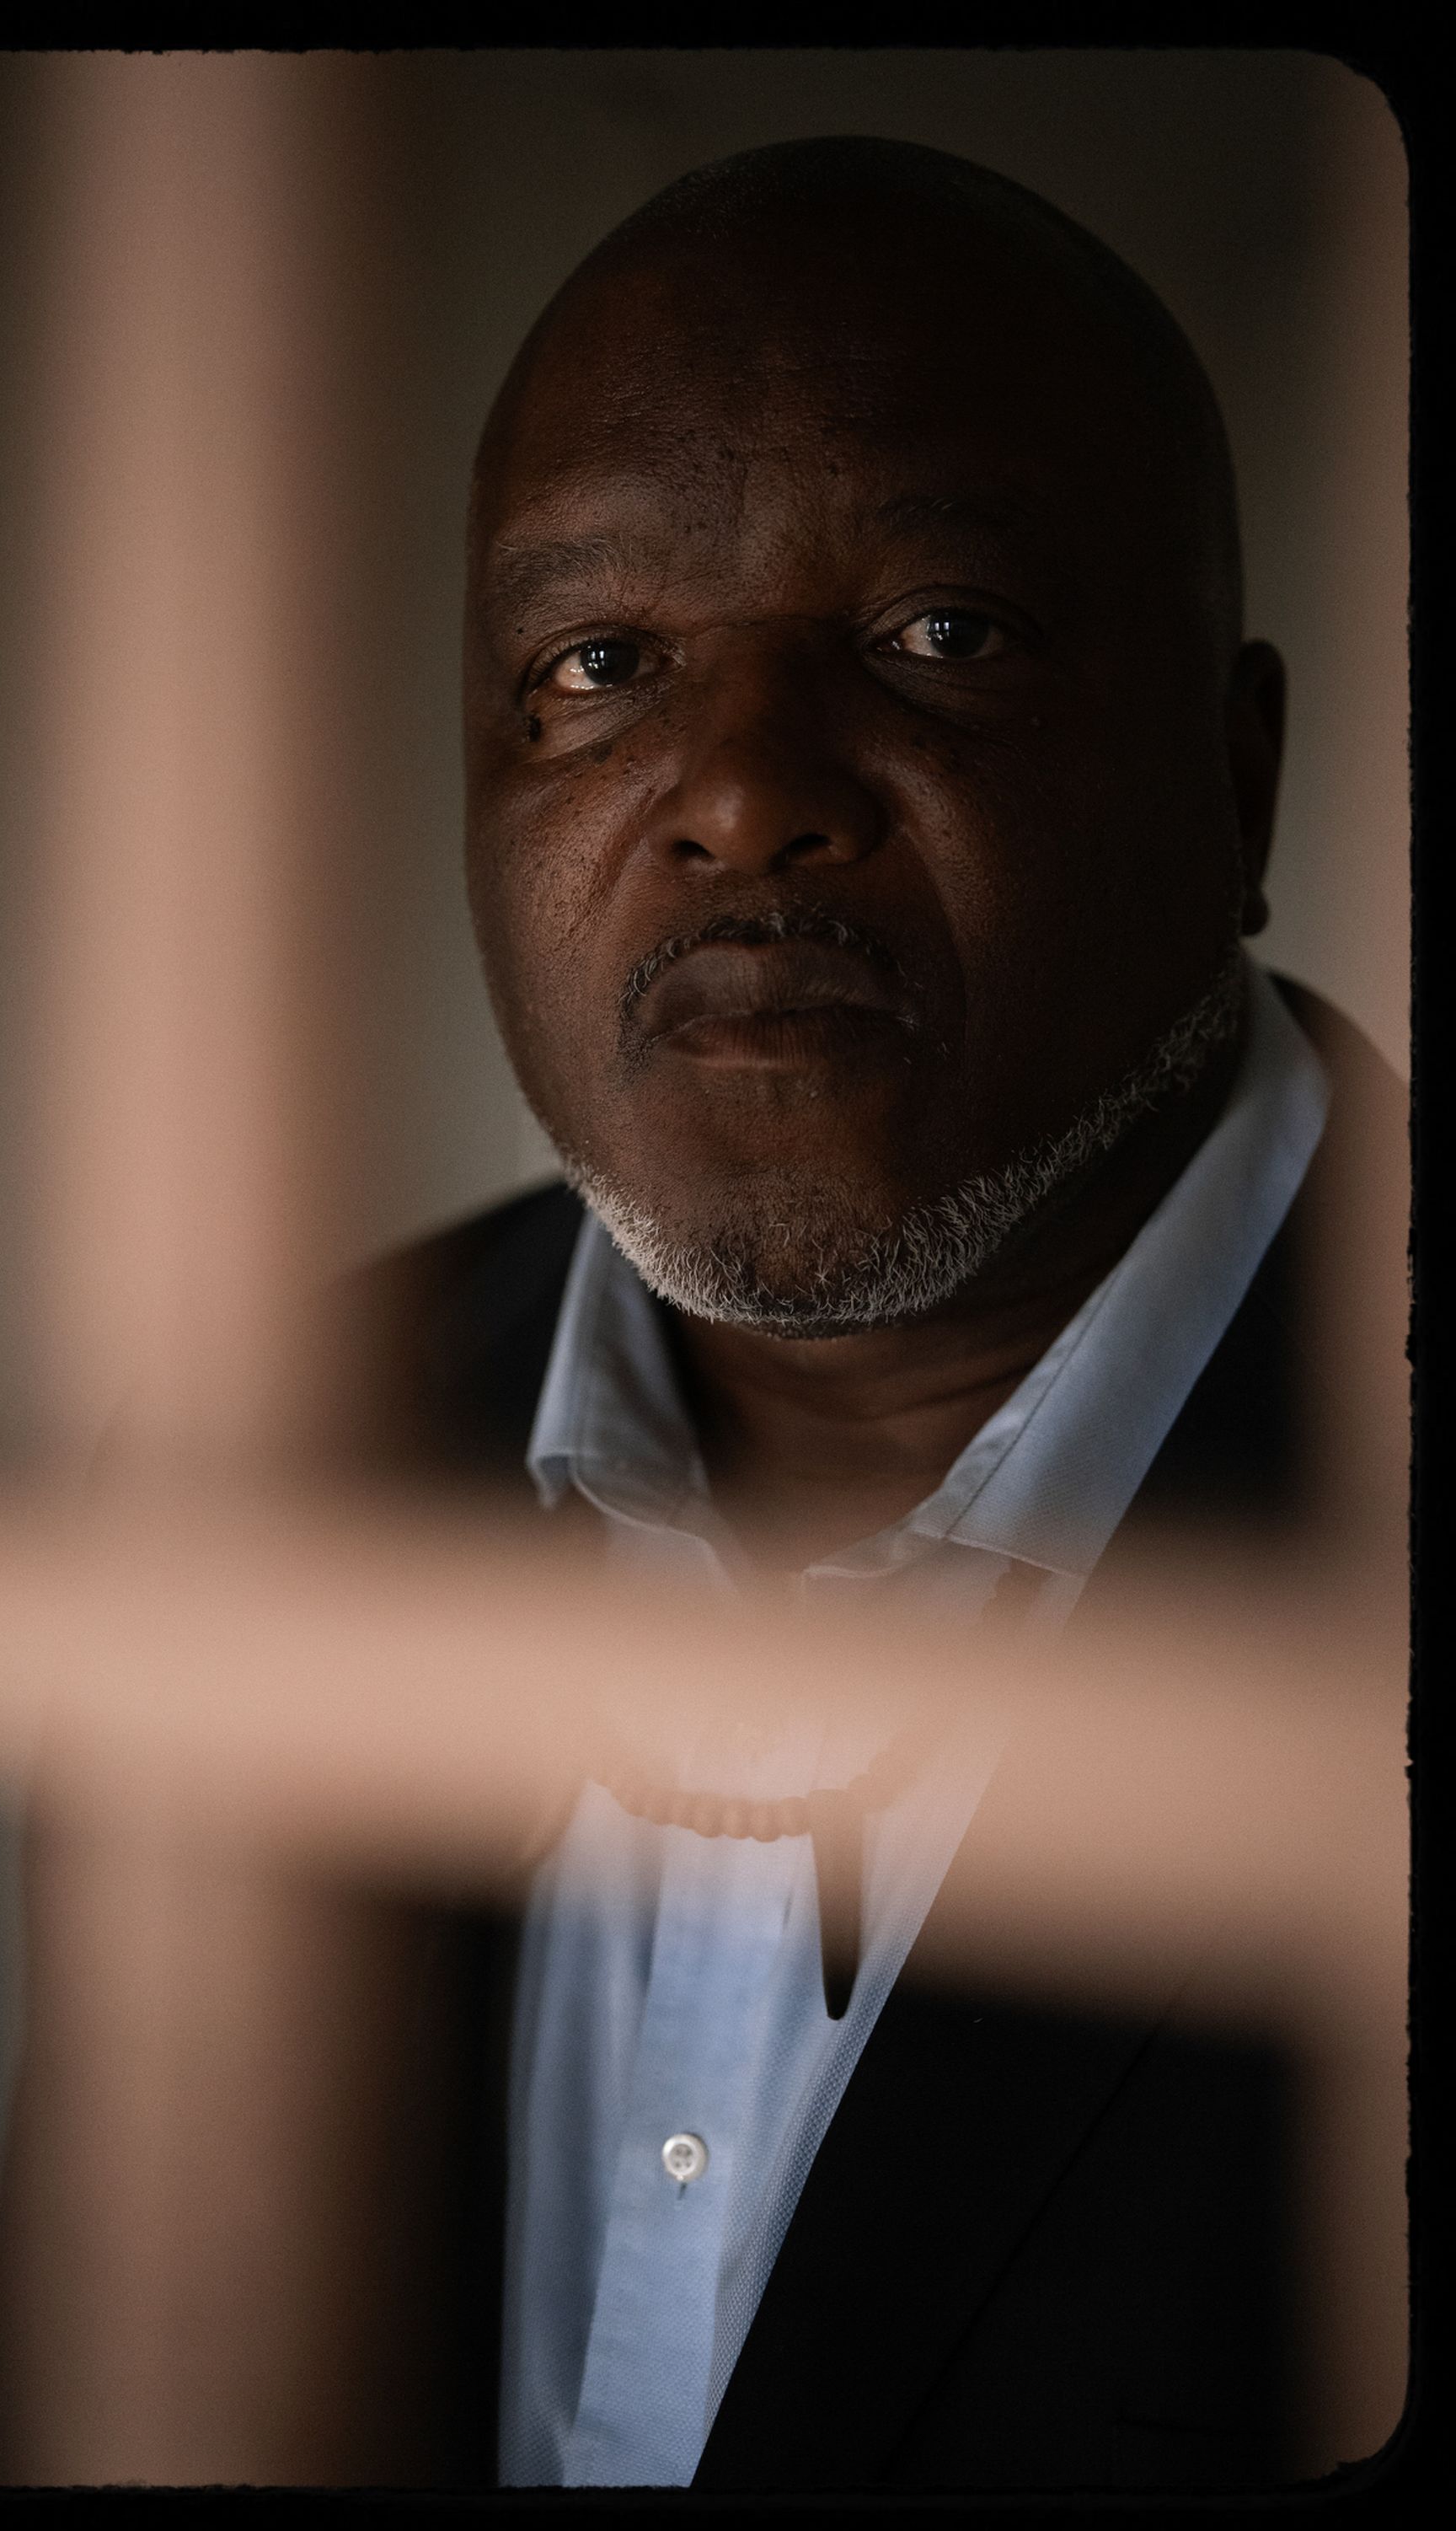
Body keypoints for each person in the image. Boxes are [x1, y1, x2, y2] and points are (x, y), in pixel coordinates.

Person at [355, 135, 1405, 2493]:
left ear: (1241, 777)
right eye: (597, 665)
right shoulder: (276, 1454)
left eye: (943, 631)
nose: (739, 789)